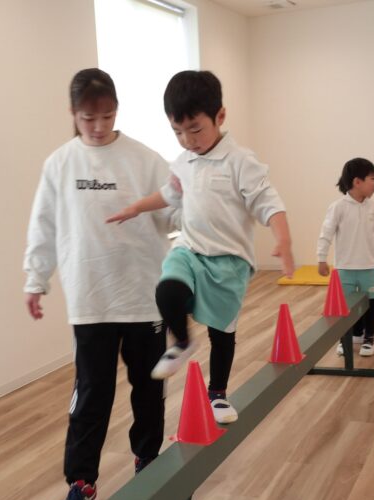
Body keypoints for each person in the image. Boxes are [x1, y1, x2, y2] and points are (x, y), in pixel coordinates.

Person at [23, 68, 177, 500]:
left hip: (143, 295)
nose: (98, 126)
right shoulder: (60, 164)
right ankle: (81, 484)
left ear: (116, 111)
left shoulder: (145, 160)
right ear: (73, 113)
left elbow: (174, 214)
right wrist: (35, 278)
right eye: (88, 118)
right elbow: (43, 225)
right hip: (90, 299)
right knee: (91, 393)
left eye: (107, 116)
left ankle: (147, 463)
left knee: (148, 388)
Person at [107, 70, 294, 425]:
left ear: (220, 116)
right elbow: (169, 195)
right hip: (190, 250)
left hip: (229, 261)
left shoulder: (240, 161)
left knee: (223, 333)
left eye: (195, 129)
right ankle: (181, 342)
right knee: (167, 290)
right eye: (177, 132)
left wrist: (283, 239)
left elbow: (267, 201)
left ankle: (217, 394)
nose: (187, 140)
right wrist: (136, 207)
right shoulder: (183, 162)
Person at [317, 158, 374, 357]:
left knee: (373, 303)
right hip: (345, 268)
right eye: (372, 178)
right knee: (345, 307)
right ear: (357, 182)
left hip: (369, 267)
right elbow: (326, 233)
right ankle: (346, 339)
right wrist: (321, 258)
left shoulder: (373, 207)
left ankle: (368, 337)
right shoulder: (338, 207)